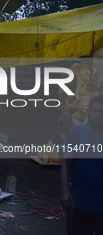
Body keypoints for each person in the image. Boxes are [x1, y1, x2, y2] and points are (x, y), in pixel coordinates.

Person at [61, 95, 103, 235]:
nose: (98, 115)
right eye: (95, 110)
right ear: (87, 111)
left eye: (102, 111)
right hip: (78, 201)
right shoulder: (76, 132)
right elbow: (66, 162)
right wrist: (65, 191)